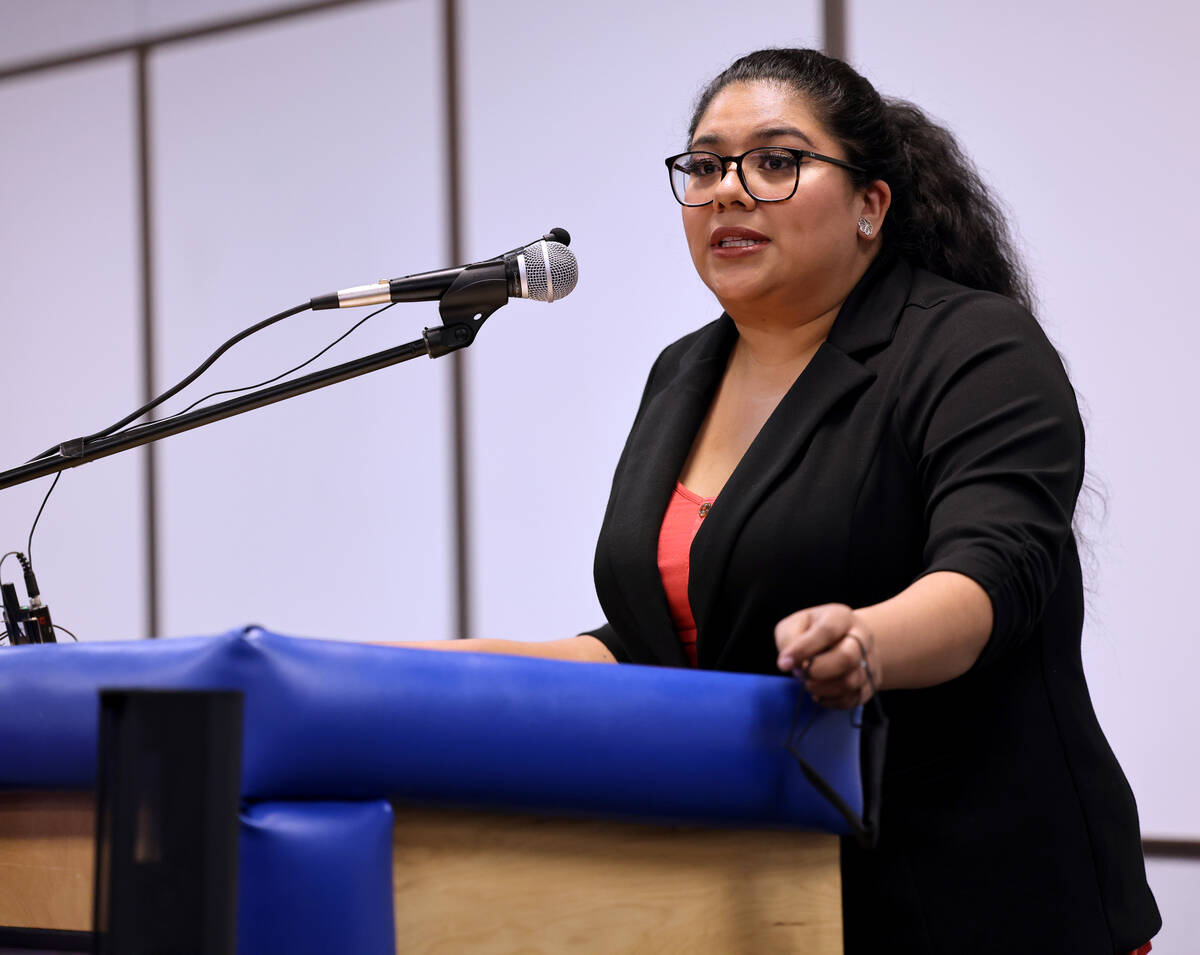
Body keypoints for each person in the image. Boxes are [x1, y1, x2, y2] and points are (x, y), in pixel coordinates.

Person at [400, 48, 1160, 954]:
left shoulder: (972, 347)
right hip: (764, 895)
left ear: (871, 205)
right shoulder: (684, 371)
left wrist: (867, 643)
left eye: (775, 161)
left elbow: (990, 576)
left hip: (982, 899)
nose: (727, 191)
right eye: (705, 165)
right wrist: (442, 672)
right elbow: (666, 642)